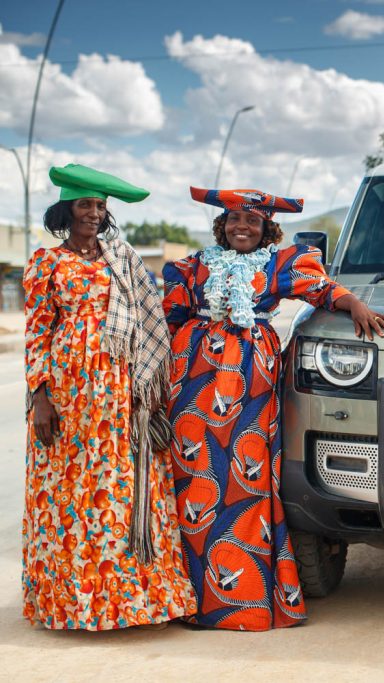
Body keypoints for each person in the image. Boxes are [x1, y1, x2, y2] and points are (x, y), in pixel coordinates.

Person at [163, 186, 384, 630]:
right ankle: (188, 599)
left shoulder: (282, 264)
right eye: (234, 220)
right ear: (221, 225)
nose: (241, 227)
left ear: (267, 227)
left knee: (244, 483)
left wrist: (356, 304)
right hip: (193, 379)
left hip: (251, 379)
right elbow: (169, 318)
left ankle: (242, 602)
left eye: (251, 221)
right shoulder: (192, 267)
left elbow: (325, 291)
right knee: (193, 478)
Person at [23, 164, 196, 630]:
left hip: (122, 395)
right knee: (70, 498)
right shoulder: (46, 263)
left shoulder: (122, 259)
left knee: (122, 490)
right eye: (85, 205)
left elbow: (147, 322)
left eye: (101, 206)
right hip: (67, 399)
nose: (94, 214)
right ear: (66, 209)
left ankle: (133, 603)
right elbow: (38, 332)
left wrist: (147, 390)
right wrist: (39, 396)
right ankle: (74, 603)